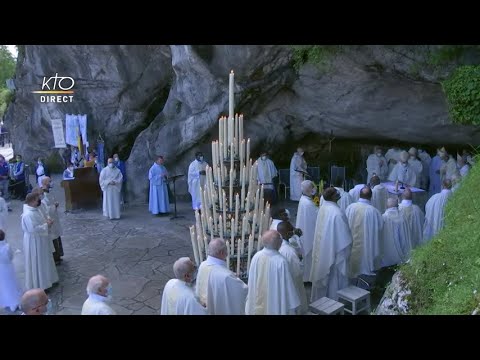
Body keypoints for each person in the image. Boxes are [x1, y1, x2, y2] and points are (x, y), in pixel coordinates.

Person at [310, 187, 352, 301]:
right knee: (334, 278)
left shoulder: (323, 208)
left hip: (324, 247)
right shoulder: (337, 213)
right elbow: (345, 239)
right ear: (333, 197)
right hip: (334, 250)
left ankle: (322, 300)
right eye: (336, 193)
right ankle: (333, 301)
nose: (339, 193)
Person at [245, 230, 300, 315]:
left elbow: (252, 281)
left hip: (257, 302)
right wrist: (294, 303)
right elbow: (288, 287)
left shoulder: (256, 257)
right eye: (280, 239)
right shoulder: (281, 262)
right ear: (279, 243)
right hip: (275, 304)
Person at [196, 239, 248, 315]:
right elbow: (243, 291)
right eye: (226, 250)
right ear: (221, 253)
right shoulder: (226, 276)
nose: (227, 253)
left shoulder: (203, 265)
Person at [21, 193, 59, 290]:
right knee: (38, 262)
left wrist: (48, 221)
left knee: (45, 260)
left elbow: (44, 218)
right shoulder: (27, 215)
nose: (39, 201)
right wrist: (47, 225)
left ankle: (49, 280)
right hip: (34, 242)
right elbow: (33, 229)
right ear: (32, 201)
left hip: (41, 239)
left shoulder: (36, 209)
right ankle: (41, 284)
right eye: (38, 199)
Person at [345, 187, 383, 279]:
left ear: (359, 195)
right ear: (371, 197)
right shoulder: (374, 212)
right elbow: (380, 229)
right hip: (366, 249)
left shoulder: (350, 207)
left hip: (350, 246)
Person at [277, 222, 308, 314]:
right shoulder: (289, 251)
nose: (294, 231)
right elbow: (298, 272)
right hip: (292, 283)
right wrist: (300, 259)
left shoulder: (278, 245)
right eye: (292, 230)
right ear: (288, 234)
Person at [295, 180, 319, 282]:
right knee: (309, 257)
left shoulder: (304, 199)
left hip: (305, 231)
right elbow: (318, 215)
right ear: (309, 190)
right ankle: (308, 278)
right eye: (312, 187)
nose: (314, 189)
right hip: (309, 233)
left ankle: (306, 278)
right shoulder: (308, 204)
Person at [381, 198, 411, 267]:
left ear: (387, 206)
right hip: (404, 256)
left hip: (387, 259)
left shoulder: (383, 218)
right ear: (397, 206)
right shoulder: (403, 217)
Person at [41, 177, 64, 264]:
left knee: (57, 235)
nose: (51, 183)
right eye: (49, 181)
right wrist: (54, 206)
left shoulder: (49, 191)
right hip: (50, 219)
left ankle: (59, 255)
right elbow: (45, 209)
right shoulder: (43, 194)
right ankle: (55, 257)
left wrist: (55, 204)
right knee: (53, 237)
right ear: (45, 182)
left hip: (54, 218)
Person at [0, 230, 21, 312]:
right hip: (8, 268)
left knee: (3, 286)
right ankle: (15, 302)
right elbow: (11, 256)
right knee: (12, 284)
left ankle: (6, 302)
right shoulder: (7, 246)